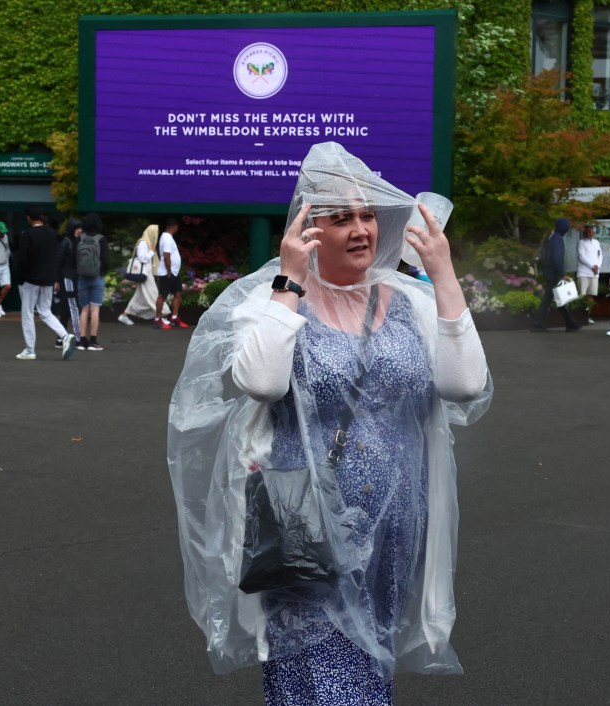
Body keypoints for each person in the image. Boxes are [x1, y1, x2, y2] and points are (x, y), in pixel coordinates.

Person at [167, 142, 492, 702]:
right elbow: (261, 383)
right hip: (306, 528)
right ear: (309, 229)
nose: (362, 228)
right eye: (342, 217)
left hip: (395, 525)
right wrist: (290, 282)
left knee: (370, 665)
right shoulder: (272, 301)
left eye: (368, 214)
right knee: (322, 677)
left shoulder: (411, 301)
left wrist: (443, 278)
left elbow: (465, 385)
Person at [15, 205, 76, 361]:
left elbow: (23, 259)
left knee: (28, 313)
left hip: (30, 280)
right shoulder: (52, 235)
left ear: (28, 218)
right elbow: (54, 258)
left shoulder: (27, 235)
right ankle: (64, 335)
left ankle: (30, 350)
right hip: (48, 279)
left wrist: (20, 278)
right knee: (45, 311)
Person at [531, 217, 581, 332]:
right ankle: (537, 324)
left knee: (557, 297)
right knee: (550, 298)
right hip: (554, 273)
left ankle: (570, 323)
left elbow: (545, 256)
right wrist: (562, 274)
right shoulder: (558, 239)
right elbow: (557, 258)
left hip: (549, 271)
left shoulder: (551, 237)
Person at [118, 224, 169, 325]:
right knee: (153, 294)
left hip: (146, 273)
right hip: (145, 274)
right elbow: (142, 258)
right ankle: (160, 316)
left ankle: (124, 315)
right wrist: (151, 251)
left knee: (138, 297)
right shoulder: (143, 243)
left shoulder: (147, 243)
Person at [76, 212, 109, 351]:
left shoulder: (80, 239)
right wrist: (101, 271)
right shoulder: (101, 240)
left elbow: (74, 257)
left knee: (84, 309)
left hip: (82, 277)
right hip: (97, 277)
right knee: (95, 309)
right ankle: (93, 341)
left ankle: (82, 340)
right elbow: (106, 261)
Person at [153, 217, 188, 329]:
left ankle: (174, 317)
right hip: (168, 273)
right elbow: (166, 256)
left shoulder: (167, 237)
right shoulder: (167, 238)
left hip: (174, 272)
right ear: (174, 227)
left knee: (177, 293)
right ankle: (158, 319)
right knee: (162, 295)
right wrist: (169, 271)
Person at [53, 218, 82, 346]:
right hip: (68, 278)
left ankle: (61, 338)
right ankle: (78, 338)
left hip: (68, 278)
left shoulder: (71, 242)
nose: (80, 230)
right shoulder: (68, 243)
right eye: (77, 228)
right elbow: (57, 264)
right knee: (73, 308)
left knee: (65, 310)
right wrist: (56, 280)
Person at [576, 222, 602, 323]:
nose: (589, 233)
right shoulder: (581, 242)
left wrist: (597, 266)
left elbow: (600, 256)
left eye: (591, 231)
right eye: (588, 231)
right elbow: (581, 256)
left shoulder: (596, 242)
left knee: (591, 295)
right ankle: (580, 316)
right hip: (583, 273)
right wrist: (592, 266)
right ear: (585, 232)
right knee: (582, 295)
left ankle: (587, 316)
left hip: (595, 273)